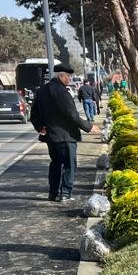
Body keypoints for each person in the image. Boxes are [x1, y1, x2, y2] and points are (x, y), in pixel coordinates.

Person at [31, 63, 92, 202]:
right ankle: (65, 193)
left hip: (50, 136)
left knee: (55, 164)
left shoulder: (42, 90)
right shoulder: (61, 91)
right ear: (60, 76)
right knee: (70, 165)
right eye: (68, 76)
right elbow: (71, 114)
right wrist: (88, 127)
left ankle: (53, 193)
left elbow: (33, 113)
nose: (69, 79)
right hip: (66, 136)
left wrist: (40, 127)